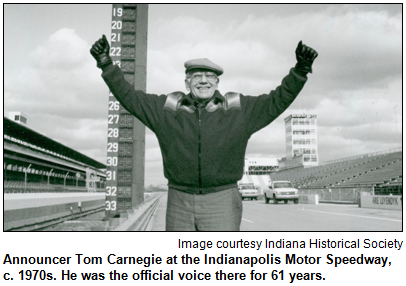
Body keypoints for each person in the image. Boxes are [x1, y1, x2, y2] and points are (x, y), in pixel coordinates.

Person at [91, 35, 318, 231]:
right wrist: (107, 66)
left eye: (209, 76)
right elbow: (131, 98)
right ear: (187, 81)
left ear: (217, 81)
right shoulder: (167, 109)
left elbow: (277, 100)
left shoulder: (238, 108)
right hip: (179, 200)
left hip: (222, 200)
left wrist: (300, 71)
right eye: (196, 75)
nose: (203, 80)